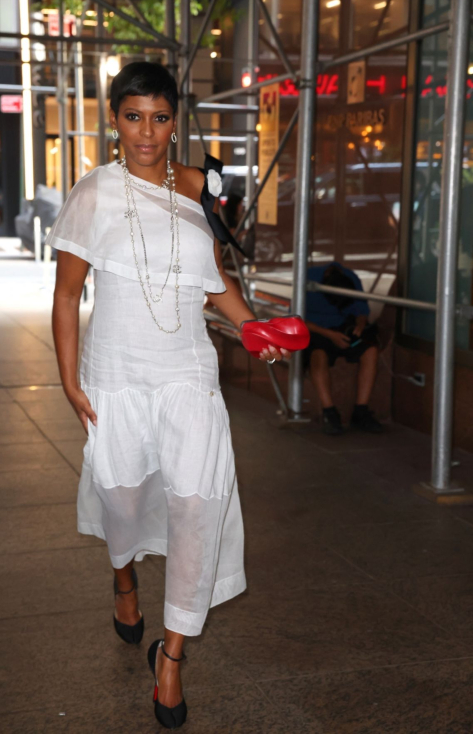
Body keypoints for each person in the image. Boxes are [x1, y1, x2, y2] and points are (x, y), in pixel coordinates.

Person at [47, 61, 289, 730]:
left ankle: (173, 655)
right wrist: (70, 380)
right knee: (120, 500)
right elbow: (67, 296)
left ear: (174, 120)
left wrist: (253, 328)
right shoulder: (94, 192)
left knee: (195, 507)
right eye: (132, 117)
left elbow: (215, 281)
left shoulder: (199, 189)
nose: (146, 132)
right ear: (115, 120)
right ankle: (124, 577)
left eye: (158, 117)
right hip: (117, 371)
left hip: (188, 371)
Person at [303, 262, 382, 435]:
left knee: (370, 350)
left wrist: (360, 324)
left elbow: (362, 310)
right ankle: (329, 412)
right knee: (318, 355)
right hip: (315, 328)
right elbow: (296, 319)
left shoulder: (350, 277)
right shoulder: (307, 279)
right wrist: (329, 335)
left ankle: (361, 410)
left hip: (343, 326)